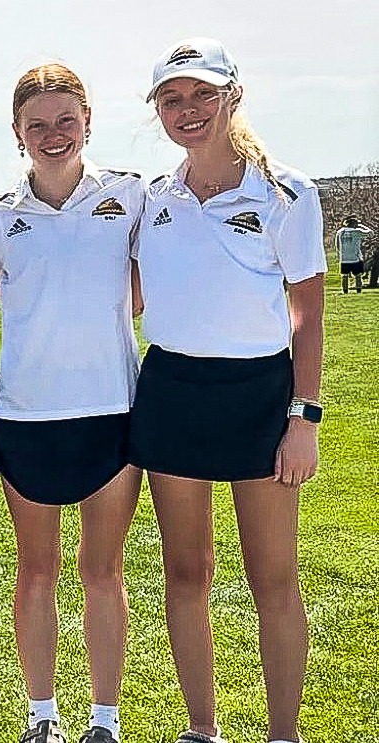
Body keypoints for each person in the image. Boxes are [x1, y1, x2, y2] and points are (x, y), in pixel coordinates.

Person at [131, 38, 324, 743]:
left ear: (232, 97)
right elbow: (113, 294)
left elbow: (308, 315)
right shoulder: (152, 199)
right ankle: (202, 727)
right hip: (173, 390)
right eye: (173, 98)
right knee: (187, 571)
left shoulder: (287, 193)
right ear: (158, 109)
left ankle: (283, 733)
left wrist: (303, 416)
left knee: (272, 578)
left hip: (259, 395)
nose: (188, 110)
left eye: (202, 95)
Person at [0, 63, 143, 743]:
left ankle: (104, 719)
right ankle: (43, 715)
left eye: (66, 119)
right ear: (17, 132)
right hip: (26, 416)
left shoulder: (128, 196)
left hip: (112, 412)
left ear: (89, 121)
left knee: (103, 569)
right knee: (35, 571)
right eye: (37, 124)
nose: (53, 134)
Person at [336, 215, 372, 294]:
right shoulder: (357, 232)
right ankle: (358, 291)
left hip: (344, 259)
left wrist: (342, 253)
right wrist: (362, 225)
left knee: (344, 276)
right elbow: (370, 233)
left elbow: (337, 245)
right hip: (355, 258)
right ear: (354, 224)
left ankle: (345, 291)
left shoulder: (340, 232)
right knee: (358, 275)